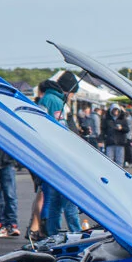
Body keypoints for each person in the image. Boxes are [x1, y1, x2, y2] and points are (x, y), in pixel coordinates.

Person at [34, 71, 82, 236]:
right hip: (59, 157)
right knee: (69, 200)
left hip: (48, 156)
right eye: (73, 93)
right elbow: (60, 130)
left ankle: (52, 233)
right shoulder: (56, 101)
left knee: (53, 200)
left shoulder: (45, 98)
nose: (73, 96)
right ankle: (76, 232)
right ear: (68, 90)